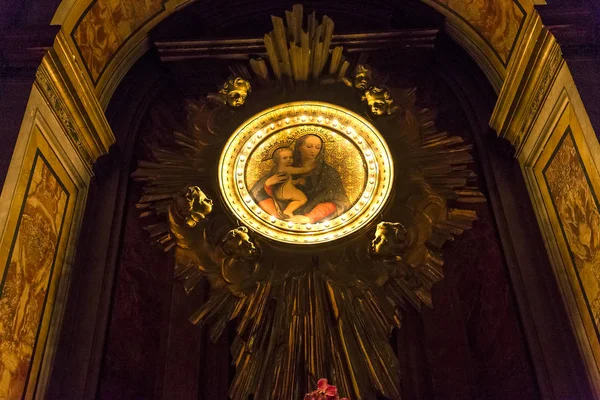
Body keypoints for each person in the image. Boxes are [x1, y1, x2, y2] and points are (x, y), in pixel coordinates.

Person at [250, 134, 350, 223]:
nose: (313, 151)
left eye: (318, 147)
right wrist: (268, 185)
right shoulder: (286, 166)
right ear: (298, 147)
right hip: (280, 218)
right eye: (309, 146)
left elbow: (339, 201)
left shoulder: (329, 173)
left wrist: (310, 218)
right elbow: (258, 192)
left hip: (313, 221)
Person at [270, 147, 314, 219]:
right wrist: (310, 167)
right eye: (285, 158)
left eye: (290, 157)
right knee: (303, 199)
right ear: (277, 160)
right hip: (288, 192)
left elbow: (285, 180)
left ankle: (288, 210)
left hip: (278, 192)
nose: (289, 160)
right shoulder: (285, 168)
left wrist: (296, 182)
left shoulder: (275, 169)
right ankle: (288, 211)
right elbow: (301, 170)